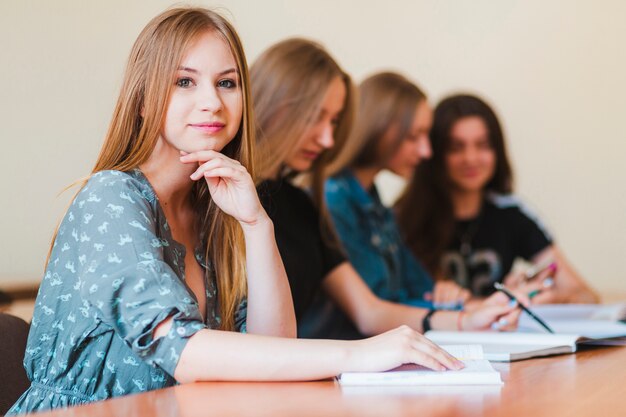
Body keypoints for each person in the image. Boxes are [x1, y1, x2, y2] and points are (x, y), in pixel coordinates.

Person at [8, 8, 465, 415]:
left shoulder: (215, 207)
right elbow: (181, 352)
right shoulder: (112, 196)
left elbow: (273, 351)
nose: (212, 101)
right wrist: (358, 354)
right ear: (144, 99)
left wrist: (256, 225)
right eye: (184, 81)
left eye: (227, 83)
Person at [251, 40, 520, 340]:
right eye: (316, 117)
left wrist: (468, 316)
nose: (328, 139)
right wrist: (463, 315)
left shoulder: (304, 205)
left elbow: (373, 310)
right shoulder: (327, 199)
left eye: (335, 121)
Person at [395, 94, 598, 303]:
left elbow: (587, 296)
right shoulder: (402, 218)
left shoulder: (511, 213)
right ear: (434, 152)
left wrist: (549, 297)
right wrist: (503, 301)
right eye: (456, 147)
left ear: (497, 151)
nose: (471, 158)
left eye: (482, 145)